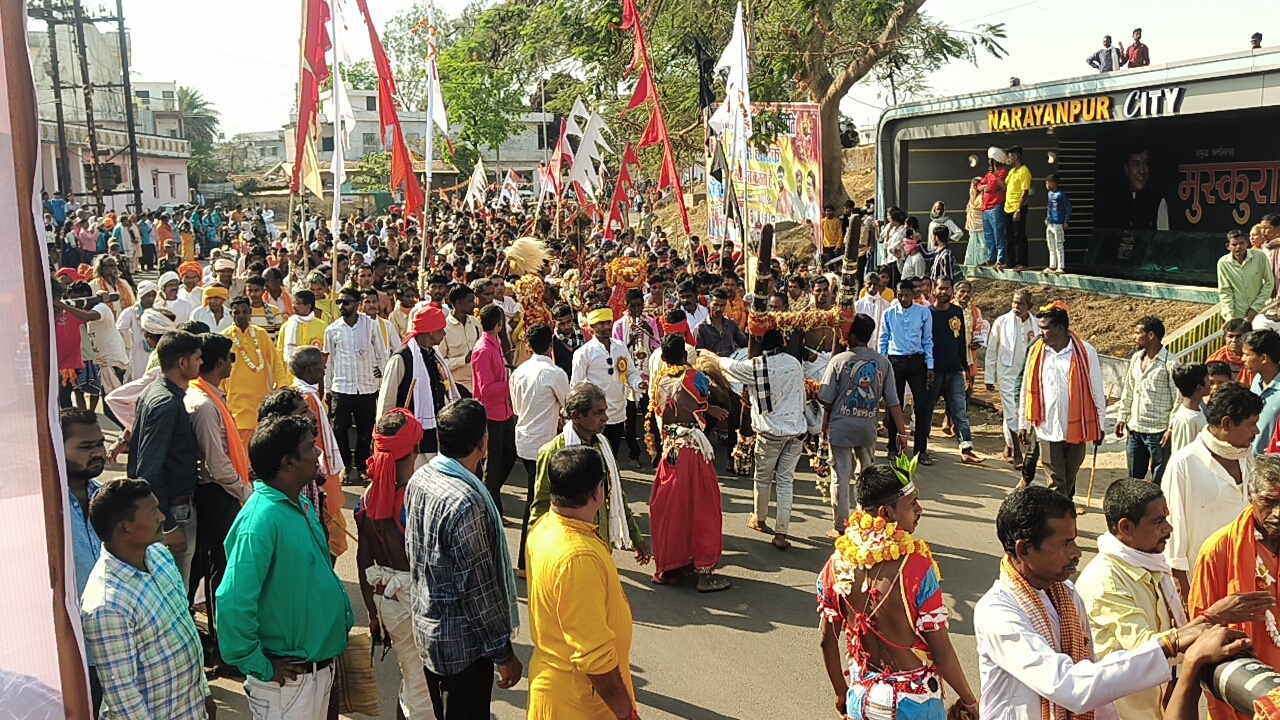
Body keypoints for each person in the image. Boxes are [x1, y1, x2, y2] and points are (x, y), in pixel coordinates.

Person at [975, 486, 1198, 719]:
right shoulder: (998, 613)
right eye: (1065, 544)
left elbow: (1093, 683)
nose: (1077, 553)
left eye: (1074, 541)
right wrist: (1169, 645)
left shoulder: (1067, 594)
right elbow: (1069, 686)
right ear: (1024, 550)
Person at [1077, 479, 1273, 720]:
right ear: (1126, 527)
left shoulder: (1150, 563)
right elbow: (1150, 651)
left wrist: (1212, 618)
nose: (1169, 529)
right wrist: (1212, 618)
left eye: (1166, 519)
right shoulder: (1105, 582)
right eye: (1158, 522)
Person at [217, 414, 355, 719]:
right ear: (288, 463)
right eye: (310, 447)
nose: (318, 453)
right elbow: (233, 602)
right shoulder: (261, 521)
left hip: (315, 675)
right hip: (288, 685)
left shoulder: (299, 507)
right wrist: (259, 664)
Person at [818, 463, 979, 720]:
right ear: (886, 513)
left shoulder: (835, 564)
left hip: (861, 698)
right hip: (915, 704)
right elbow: (941, 653)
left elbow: (827, 640)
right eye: (911, 503)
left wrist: (841, 693)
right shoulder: (917, 568)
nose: (919, 509)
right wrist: (970, 701)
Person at [405, 399, 523, 719]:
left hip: (428, 633)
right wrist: (504, 653)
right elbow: (479, 590)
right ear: (483, 443)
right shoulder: (466, 501)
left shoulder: (421, 478)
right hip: (462, 650)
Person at [81, 477, 213, 719]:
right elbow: (123, 698)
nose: (163, 517)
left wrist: (203, 692)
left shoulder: (159, 555)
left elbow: (185, 627)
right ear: (125, 528)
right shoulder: (106, 605)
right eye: (153, 512)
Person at [525, 446, 641, 718]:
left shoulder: (545, 526)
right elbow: (595, 657)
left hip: (564, 689)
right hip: (581, 701)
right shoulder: (577, 557)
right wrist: (627, 714)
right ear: (597, 492)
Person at [354, 409, 432, 720]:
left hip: (386, 600)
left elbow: (362, 561)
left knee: (412, 678)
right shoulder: (418, 498)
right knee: (422, 691)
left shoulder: (368, 496)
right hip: (418, 603)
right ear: (415, 447)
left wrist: (373, 614)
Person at [1190, 455, 1280, 720]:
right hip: (1245, 689)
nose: (1278, 512)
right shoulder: (1217, 551)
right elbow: (1199, 632)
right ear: (1250, 497)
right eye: (1269, 501)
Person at [185, 333, 253, 672]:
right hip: (216, 496)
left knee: (222, 571)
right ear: (219, 363)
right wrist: (247, 493)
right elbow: (217, 464)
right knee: (221, 574)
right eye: (229, 357)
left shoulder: (211, 397)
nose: (231, 363)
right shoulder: (204, 405)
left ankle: (224, 649)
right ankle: (223, 654)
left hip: (222, 493)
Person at [528, 383, 651, 561]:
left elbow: (616, 494)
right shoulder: (553, 452)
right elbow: (540, 505)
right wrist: (535, 554)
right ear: (576, 416)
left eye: (605, 411)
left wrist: (636, 537)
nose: (605, 418)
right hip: (569, 548)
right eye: (598, 413)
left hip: (601, 543)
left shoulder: (603, 446)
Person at [1162, 381, 1260, 600]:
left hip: (1245, 576)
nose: (1257, 431)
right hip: (1201, 581)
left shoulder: (1247, 459)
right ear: (1226, 424)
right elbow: (1173, 529)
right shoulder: (1184, 464)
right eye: (1252, 424)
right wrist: (1183, 591)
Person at [647, 335, 730, 591]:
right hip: (693, 450)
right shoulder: (695, 378)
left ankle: (673, 565)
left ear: (663, 360)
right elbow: (716, 395)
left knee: (671, 507)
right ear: (685, 357)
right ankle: (705, 575)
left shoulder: (660, 382)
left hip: (670, 449)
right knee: (702, 507)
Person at [818, 314, 910, 539]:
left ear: (850, 334)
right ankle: (866, 523)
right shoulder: (883, 362)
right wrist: (901, 432)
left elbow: (825, 397)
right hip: (867, 430)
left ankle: (840, 527)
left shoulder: (838, 360)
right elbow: (893, 401)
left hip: (840, 429)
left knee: (840, 477)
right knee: (867, 476)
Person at [717, 329, 808, 549]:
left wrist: (712, 358)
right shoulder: (794, 362)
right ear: (783, 342)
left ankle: (759, 520)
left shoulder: (757, 366)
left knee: (763, 479)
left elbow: (730, 367)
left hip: (771, 433)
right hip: (796, 431)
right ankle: (781, 533)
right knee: (786, 481)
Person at [128, 330, 202, 588]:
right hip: (173, 509)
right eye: (197, 358)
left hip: (170, 507)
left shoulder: (156, 391)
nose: (200, 364)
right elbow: (147, 471)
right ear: (183, 363)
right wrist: (169, 525)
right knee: (173, 588)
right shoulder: (166, 403)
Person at [1019, 301, 1106, 498]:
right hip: (1047, 428)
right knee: (1056, 483)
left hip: (1077, 429)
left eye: (1045, 328)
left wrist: (1099, 426)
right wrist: (1023, 423)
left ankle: (1065, 516)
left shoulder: (1086, 351)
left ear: (1060, 328)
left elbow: (1096, 391)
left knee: (1069, 481)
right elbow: (1026, 388)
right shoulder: (1036, 352)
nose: (1040, 333)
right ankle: (1061, 523)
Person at [510, 322, 570, 578]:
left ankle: (532, 558)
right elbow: (568, 404)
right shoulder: (554, 373)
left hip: (524, 441)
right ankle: (527, 561)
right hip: (543, 443)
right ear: (550, 346)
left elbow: (515, 409)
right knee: (539, 502)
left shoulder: (518, 372)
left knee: (538, 498)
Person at [287, 348, 350, 558]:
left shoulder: (305, 393)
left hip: (321, 471)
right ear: (308, 371)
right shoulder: (306, 400)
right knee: (335, 535)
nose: (324, 371)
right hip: (320, 474)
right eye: (320, 368)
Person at [325, 286, 390, 484]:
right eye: (340, 302)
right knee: (340, 429)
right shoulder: (332, 330)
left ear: (357, 304)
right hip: (341, 388)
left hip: (367, 387)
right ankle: (346, 466)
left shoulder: (370, 325)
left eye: (346, 302)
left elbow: (381, 352)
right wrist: (327, 389)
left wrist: (383, 374)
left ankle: (362, 466)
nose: (342, 306)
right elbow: (329, 362)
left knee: (365, 430)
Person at [377, 305, 459, 459]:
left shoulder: (434, 356)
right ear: (430, 331)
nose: (444, 333)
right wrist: (386, 437)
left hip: (435, 435)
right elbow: (386, 401)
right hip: (409, 438)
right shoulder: (402, 358)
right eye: (441, 329)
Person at [926, 278, 984, 464]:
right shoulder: (928, 313)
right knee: (927, 410)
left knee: (960, 411)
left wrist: (965, 368)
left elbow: (960, 343)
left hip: (954, 371)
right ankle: (921, 447)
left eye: (947, 288)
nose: (944, 292)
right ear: (934, 290)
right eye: (940, 288)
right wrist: (928, 368)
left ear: (951, 291)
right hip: (934, 372)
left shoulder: (956, 311)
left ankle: (966, 449)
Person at [571, 307, 641, 458]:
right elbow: (576, 385)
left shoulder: (620, 346)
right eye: (601, 324)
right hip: (595, 416)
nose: (606, 327)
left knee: (612, 455)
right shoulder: (583, 353)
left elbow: (630, 373)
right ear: (591, 327)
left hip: (617, 412)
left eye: (608, 322)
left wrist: (639, 384)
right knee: (596, 457)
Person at [879, 278, 935, 463]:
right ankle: (893, 447)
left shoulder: (923, 312)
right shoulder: (889, 313)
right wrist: (883, 363)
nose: (902, 298)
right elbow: (883, 339)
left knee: (921, 405)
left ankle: (921, 450)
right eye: (899, 295)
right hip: (896, 361)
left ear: (914, 295)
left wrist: (930, 365)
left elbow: (927, 340)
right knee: (895, 404)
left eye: (906, 295)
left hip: (917, 361)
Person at [1116, 316, 1177, 483]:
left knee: (1160, 479)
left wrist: (1170, 429)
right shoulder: (1136, 358)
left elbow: (1177, 399)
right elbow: (1129, 388)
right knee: (1134, 479)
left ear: (1151, 335)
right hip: (1135, 429)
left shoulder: (1170, 363)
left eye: (1138, 332)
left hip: (1159, 432)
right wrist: (1122, 416)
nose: (1134, 336)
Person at [224, 295, 290, 449]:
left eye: (244, 312)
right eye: (236, 312)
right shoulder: (225, 337)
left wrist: (282, 385)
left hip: (260, 399)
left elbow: (275, 362)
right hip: (236, 400)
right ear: (231, 314)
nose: (241, 316)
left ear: (250, 313)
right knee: (241, 446)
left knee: (260, 441)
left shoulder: (261, 334)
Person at [473, 304, 516, 513]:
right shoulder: (483, 349)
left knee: (509, 454)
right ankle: (491, 508)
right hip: (491, 413)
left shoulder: (494, 344)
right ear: (499, 324)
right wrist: (512, 384)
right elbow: (486, 389)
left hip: (504, 411)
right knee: (493, 464)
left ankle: (490, 495)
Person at [63, 407, 105, 598]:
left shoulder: (104, 496)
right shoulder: (45, 509)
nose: (98, 453)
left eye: (100, 444)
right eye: (86, 447)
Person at [1218, 229, 1274, 321]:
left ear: (1247, 243)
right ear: (1228, 246)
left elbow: (1269, 283)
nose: (1239, 247)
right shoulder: (1223, 263)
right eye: (1234, 244)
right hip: (1238, 315)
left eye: (1242, 243)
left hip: (1260, 312)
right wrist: (1229, 317)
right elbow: (1225, 291)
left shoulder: (1259, 256)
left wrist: (1255, 307)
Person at [441, 285, 481, 396]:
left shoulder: (475, 323)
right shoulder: (444, 328)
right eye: (470, 301)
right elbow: (440, 364)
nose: (474, 305)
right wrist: (464, 360)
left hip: (478, 384)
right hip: (457, 387)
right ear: (458, 303)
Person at [1246, 328, 1280, 455]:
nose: (1243, 359)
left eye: (1247, 355)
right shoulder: (1257, 379)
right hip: (1250, 463)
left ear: (1264, 358)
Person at [1168, 363, 1209, 453]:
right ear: (1200, 387)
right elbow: (1182, 455)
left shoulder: (1198, 409)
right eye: (1208, 379)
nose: (1210, 383)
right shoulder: (1187, 421)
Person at [977, 149, 1008, 268]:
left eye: (991, 160)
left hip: (995, 206)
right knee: (989, 235)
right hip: (985, 207)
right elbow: (979, 186)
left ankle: (1000, 259)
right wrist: (985, 187)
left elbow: (992, 187)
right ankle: (991, 258)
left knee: (998, 233)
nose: (989, 162)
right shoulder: (989, 174)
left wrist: (985, 187)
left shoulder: (1002, 172)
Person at [1004, 144, 1032, 271]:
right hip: (1007, 208)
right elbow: (1004, 186)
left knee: (1019, 236)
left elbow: (1024, 192)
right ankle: (1010, 262)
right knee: (1008, 236)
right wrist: (994, 172)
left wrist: (1019, 210)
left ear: (1015, 157)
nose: (1008, 160)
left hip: (1018, 208)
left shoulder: (1024, 171)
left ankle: (1022, 263)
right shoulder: (1011, 172)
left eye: (1010, 157)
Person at [278, 290, 326, 362]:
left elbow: (325, 353)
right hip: (290, 371)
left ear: (308, 306)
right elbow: (279, 352)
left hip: (313, 371)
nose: (293, 306)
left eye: (298, 303)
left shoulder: (322, 327)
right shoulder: (286, 326)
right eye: (293, 303)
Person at [1208, 318, 1254, 386]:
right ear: (1225, 337)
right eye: (1230, 336)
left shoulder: (1256, 359)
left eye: (1239, 336)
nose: (1234, 340)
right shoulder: (1215, 359)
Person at [1045, 173, 1072, 274]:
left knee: (1059, 245)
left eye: (1047, 183)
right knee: (1051, 245)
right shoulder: (1050, 194)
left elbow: (1068, 207)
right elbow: (1049, 207)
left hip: (1058, 223)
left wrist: (1066, 221)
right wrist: (1047, 217)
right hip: (1050, 222)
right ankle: (1052, 266)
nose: (1046, 185)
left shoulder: (1060, 195)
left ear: (1053, 184)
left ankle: (1061, 266)